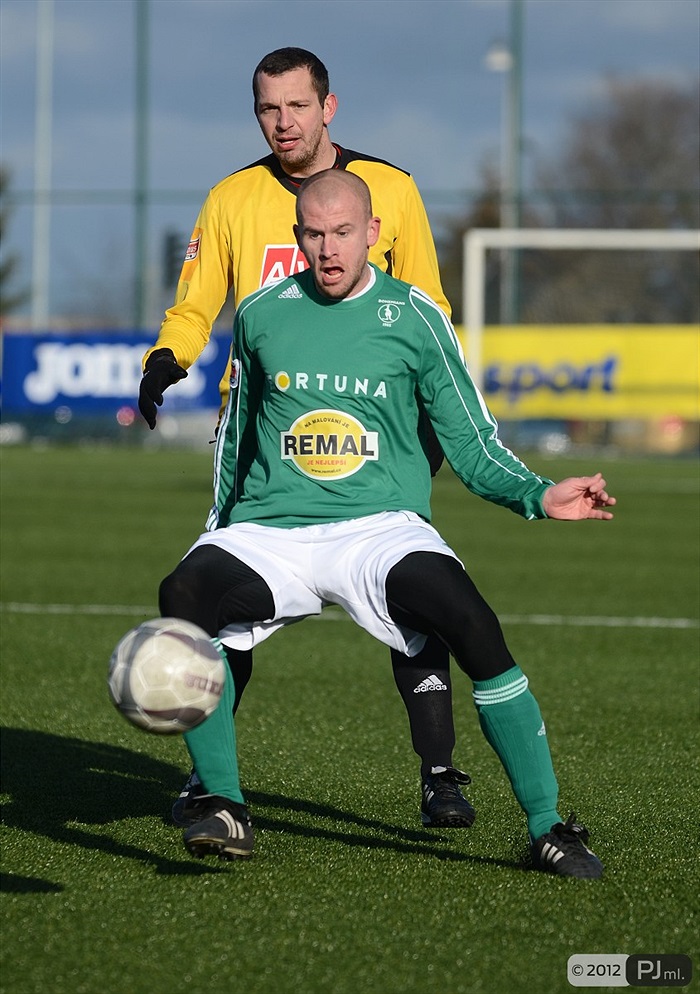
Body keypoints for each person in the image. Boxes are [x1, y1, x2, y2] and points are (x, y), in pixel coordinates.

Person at [158, 170, 614, 876]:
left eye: (343, 233)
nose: (329, 249)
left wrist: (537, 494)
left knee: (470, 619)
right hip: (270, 531)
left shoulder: (416, 317)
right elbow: (239, 436)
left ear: (373, 233)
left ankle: (550, 825)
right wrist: (215, 532)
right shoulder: (259, 314)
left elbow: (469, 439)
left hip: (379, 529)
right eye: (314, 234)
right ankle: (222, 802)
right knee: (183, 594)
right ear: (296, 237)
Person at [138, 47, 473, 830]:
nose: (282, 122)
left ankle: (440, 773)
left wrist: (440, 405)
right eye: (267, 109)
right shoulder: (232, 198)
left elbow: (429, 305)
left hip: (380, 424)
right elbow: (196, 307)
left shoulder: (391, 189)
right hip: (260, 427)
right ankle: (208, 778)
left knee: (410, 580)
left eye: (296, 106)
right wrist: (167, 357)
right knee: (223, 596)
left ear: (329, 107)